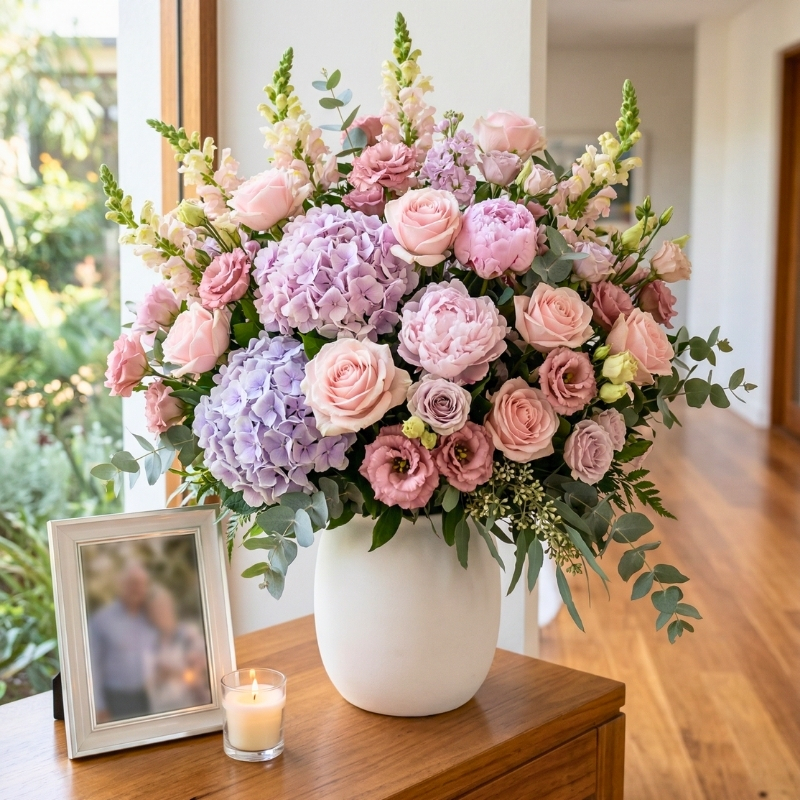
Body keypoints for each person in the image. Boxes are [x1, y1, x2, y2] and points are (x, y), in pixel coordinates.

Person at [88, 562, 158, 723]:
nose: (137, 588)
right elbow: (92, 666)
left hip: (145, 698)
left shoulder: (150, 619)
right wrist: (99, 706)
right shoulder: (102, 620)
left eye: (141, 584)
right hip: (115, 700)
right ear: (120, 585)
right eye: (132, 582)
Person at [144, 585, 211, 713]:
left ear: (171, 607)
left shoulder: (189, 636)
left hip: (192, 711)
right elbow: (150, 685)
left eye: (163, 608)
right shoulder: (150, 647)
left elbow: (200, 676)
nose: (160, 614)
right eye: (154, 611)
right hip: (162, 713)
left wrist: (170, 673)